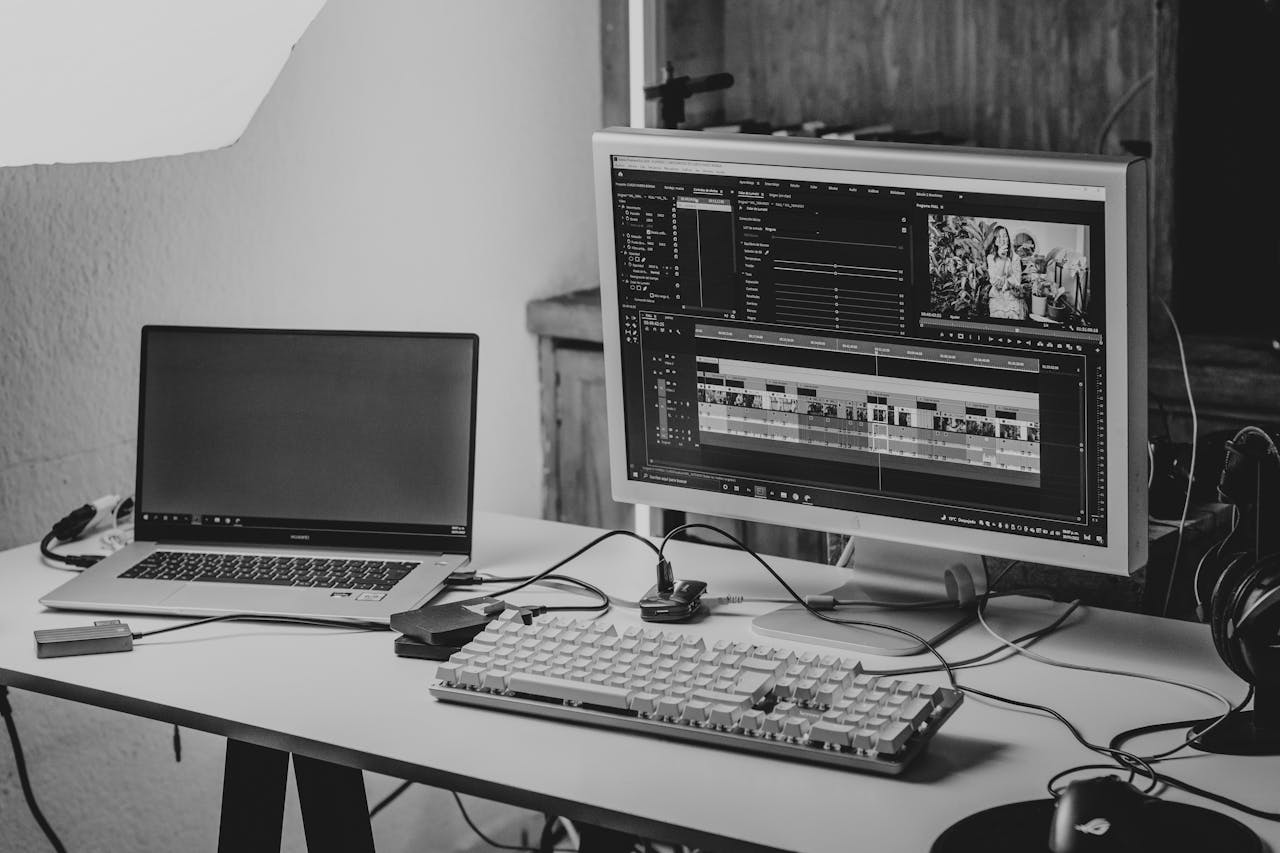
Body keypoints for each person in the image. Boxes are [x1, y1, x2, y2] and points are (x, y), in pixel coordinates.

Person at [986, 225, 1025, 319]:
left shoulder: (1015, 258)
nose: (1003, 239)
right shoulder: (990, 258)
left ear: (1008, 239)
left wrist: (1006, 282)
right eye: (999, 237)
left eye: (1005, 236)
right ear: (995, 241)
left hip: (1012, 298)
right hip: (997, 298)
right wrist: (1002, 259)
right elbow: (997, 284)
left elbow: (1017, 283)